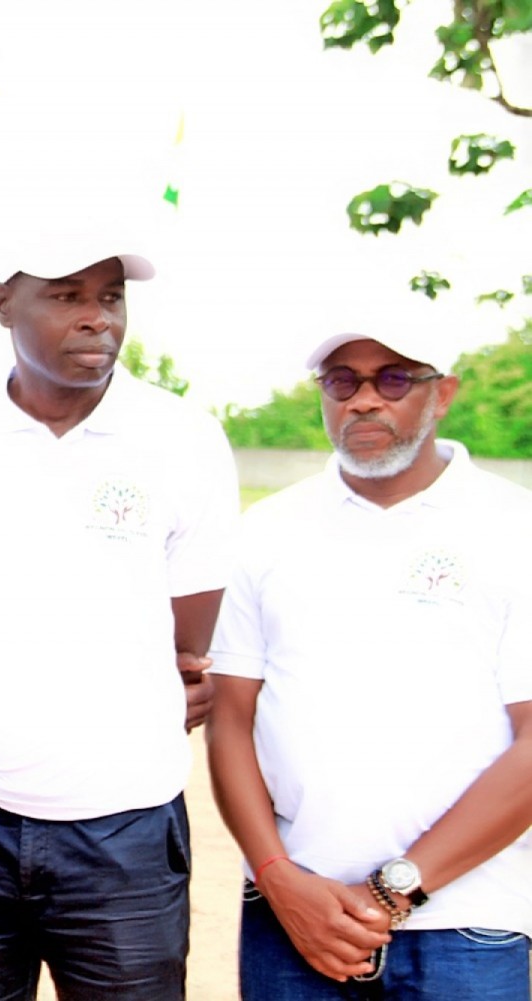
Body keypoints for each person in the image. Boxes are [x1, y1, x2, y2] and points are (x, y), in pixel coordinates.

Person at [0, 223, 239, 999]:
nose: (97, 317)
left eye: (110, 296)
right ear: (2, 303)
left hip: (126, 830)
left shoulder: (183, 439)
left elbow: (188, 642)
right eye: (67, 295)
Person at [206, 319, 532, 999]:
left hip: (468, 927)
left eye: (392, 379)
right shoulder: (266, 532)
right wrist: (277, 876)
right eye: (341, 380)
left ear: (442, 394)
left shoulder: (514, 529)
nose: (363, 400)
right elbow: (230, 719)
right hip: (293, 920)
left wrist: (393, 890)